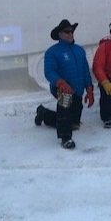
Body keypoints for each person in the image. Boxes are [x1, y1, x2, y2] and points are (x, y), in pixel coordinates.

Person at [35, 19, 94, 149]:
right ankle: (65, 137)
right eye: (67, 31)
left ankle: (43, 113)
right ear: (59, 34)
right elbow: (49, 72)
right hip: (61, 88)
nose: (70, 34)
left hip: (77, 90)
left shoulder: (79, 50)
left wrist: (89, 89)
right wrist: (60, 82)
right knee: (65, 106)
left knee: (74, 123)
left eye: (72, 31)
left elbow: (85, 71)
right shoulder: (52, 52)